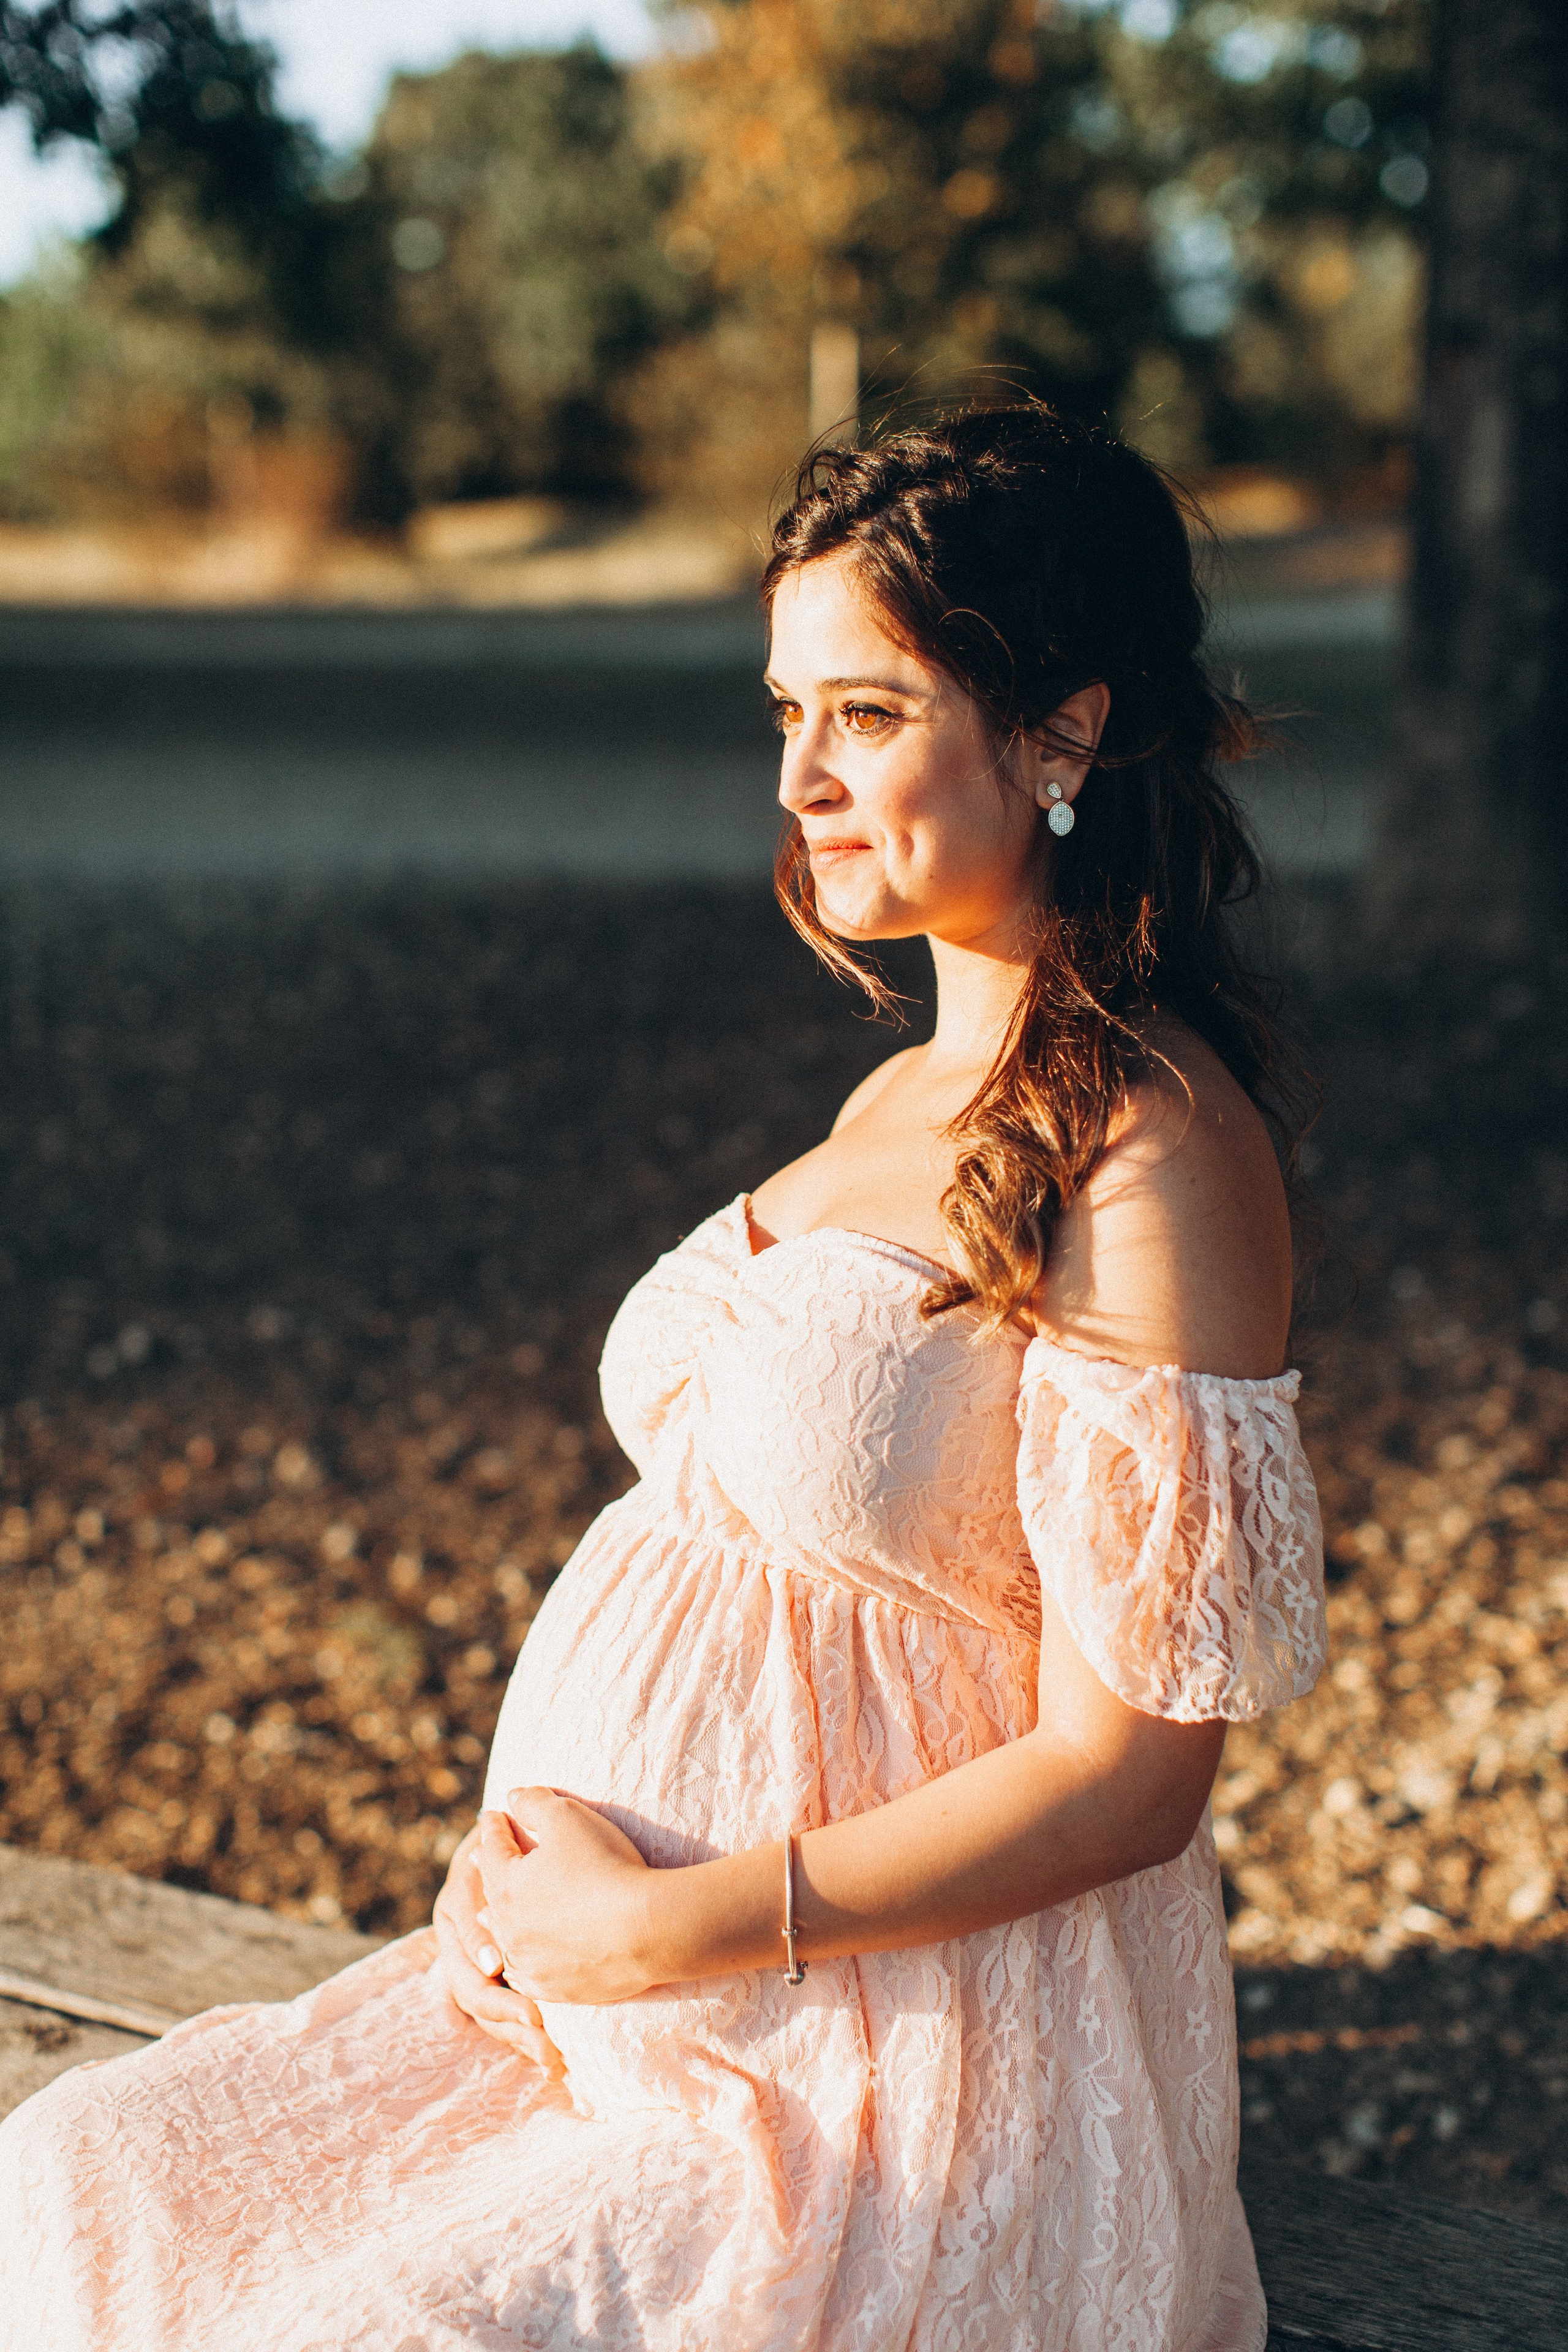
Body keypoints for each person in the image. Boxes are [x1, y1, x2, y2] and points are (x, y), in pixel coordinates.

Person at [0, 406, 1325, 2352]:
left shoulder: (1152, 1151)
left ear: (1059, 731)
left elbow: (1133, 1775)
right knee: (86, 2173)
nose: (801, 777)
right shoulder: (898, 1092)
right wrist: (528, 1885)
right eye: (784, 710)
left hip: (885, 2072)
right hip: (607, 2005)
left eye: (867, 713)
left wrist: (670, 1922)